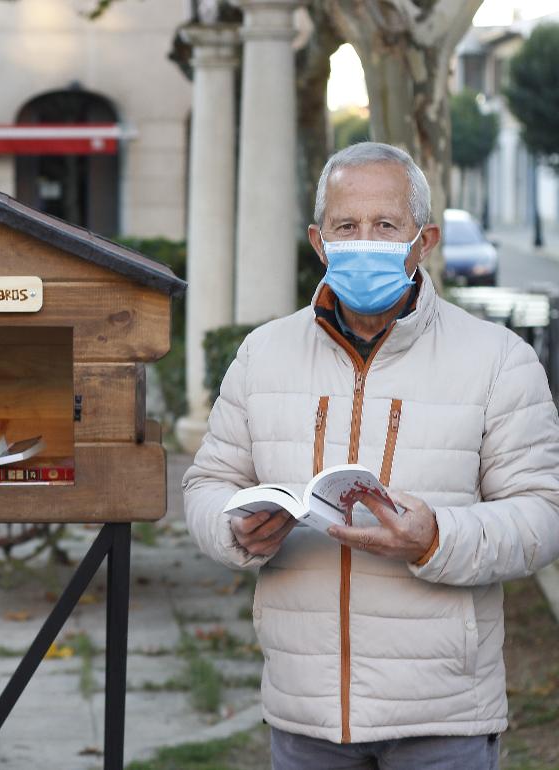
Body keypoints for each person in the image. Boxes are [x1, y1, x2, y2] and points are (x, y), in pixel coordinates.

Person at [183, 141, 559, 769]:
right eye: (346, 226)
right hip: (305, 713)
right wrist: (236, 527)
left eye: (385, 225)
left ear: (424, 239)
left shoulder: (498, 361)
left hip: (443, 717)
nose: (365, 241)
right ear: (318, 240)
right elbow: (206, 485)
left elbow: (543, 515)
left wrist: (436, 537)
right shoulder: (262, 354)